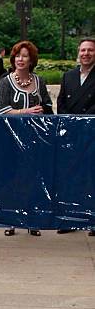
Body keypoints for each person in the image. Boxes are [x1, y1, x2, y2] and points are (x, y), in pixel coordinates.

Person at [0, 40, 54, 237]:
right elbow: (0, 109)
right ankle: (11, 220)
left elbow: (47, 106)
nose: (20, 59)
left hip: (35, 139)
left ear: (31, 60)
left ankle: (32, 220)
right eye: (18, 55)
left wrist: (43, 111)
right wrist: (25, 111)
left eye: (25, 55)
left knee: (34, 177)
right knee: (12, 178)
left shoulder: (39, 81)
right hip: (11, 138)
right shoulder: (6, 81)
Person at [57, 38, 95, 237]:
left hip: (91, 134)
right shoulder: (68, 76)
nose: (86, 53)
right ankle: (70, 220)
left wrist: (83, 121)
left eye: (90, 50)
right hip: (71, 136)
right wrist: (69, 123)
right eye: (83, 50)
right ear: (78, 53)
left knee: (91, 178)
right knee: (71, 178)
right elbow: (61, 103)